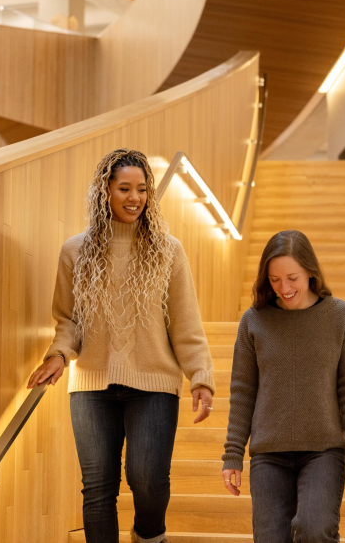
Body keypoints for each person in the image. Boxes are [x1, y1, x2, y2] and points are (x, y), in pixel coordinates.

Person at [27, 148, 215, 543]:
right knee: (97, 489)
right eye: (125, 188)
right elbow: (68, 319)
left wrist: (200, 375)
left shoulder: (169, 250)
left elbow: (185, 322)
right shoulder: (75, 251)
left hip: (154, 383)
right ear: (104, 191)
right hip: (92, 385)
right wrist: (60, 354)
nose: (135, 198)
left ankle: (149, 536)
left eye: (142, 189)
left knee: (146, 479)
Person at [221, 230, 345, 543]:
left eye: (292, 277)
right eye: (275, 280)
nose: (284, 288)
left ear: (310, 271)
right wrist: (233, 454)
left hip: (324, 450)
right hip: (268, 454)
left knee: (314, 529)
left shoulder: (343, 317)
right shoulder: (253, 321)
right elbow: (242, 391)